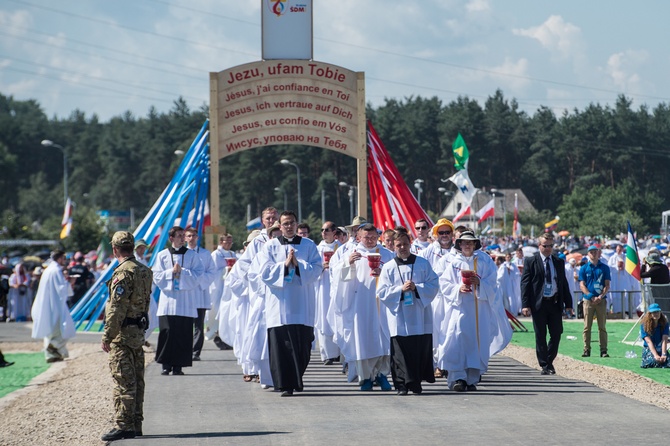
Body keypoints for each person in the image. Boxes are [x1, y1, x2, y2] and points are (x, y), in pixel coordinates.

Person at [257, 211, 322, 396]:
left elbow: (317, 269)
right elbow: (264, 272)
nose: (289, 226)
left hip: (302, 303)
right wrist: (284, 265)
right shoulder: (270, 246)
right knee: (281, 346)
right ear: (279, 225)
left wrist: (298, 264)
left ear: (296, 224)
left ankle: (297, 379)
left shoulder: (309, 245)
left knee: (302, 345)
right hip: (279, 305)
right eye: (285, 223)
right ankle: (285, 384)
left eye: (292, 223)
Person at [439, 231, 509, 391]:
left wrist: (480, 283)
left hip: (479, 309)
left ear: (475, 244)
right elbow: (444, 283)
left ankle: (471, 379)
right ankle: (457, 377)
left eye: (470, 242)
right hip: (460, 308)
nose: (467, 245)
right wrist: (457, 288)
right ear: (460, 245)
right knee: (456, 339)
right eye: (464, 242)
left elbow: (493, 283)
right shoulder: (454, 262)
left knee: (477, 341)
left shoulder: (484, 261)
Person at [100, 232, 153, 442]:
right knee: (137, 380)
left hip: (122, 334)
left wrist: (107, 336)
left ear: (115, 249)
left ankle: (124, 425)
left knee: (123, 380)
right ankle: (136, 422)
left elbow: (116, 309)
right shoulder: (144, 271)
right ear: (132, 247)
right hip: (138, 332)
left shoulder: (122, 273)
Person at [332, 223, 395, 391]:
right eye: (366, 237)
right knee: (362, 340)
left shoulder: (387, 255)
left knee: (384, 339)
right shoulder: (351, 254)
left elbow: (396, 277)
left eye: (373, 237)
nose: (370, 240)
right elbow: (338, 277)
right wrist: (348, 264)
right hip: (360, 304)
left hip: (383, 305)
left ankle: (382, 374)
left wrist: (383, 274)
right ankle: (365, 377)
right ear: (358, 237)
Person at [378, 231, 439, 395]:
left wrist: (417, 288)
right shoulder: (389, 267)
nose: (402, 248)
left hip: (419, 315)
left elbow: (434, 284)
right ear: (393, 246)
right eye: (398, 245)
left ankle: (416, 382)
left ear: (410, 243)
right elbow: (382, 292)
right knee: (399, 353)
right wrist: (400, 289)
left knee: (417, 349)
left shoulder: (423, 263)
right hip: (398, 316)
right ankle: (401, 385)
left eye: (405, 244)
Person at [152, 226, 204, 375]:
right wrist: (171, 272)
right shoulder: (162, 255)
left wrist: (183, 271)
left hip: (185, 300)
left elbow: (198, 274)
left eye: (183, 235)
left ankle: (178, 366)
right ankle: (165, 365)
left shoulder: (192, 256)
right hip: (168, 300)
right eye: (179, 235)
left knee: (182, 333)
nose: (182, 238)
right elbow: (156, 276)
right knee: (167, 332)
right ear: (171, 238)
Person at [521, 234, 574, 375]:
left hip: (554, 302)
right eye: (545, 245)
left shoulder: (558, 261)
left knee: (557, 333)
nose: (548, 248)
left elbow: (563, 284)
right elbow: (525, 284)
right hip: (539, 304)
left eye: (550, 245)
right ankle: (544, 364)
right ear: (539, 246)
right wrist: (525, 304)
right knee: (540, 335)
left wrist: (568, 303)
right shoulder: (531, 261)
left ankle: (549, 360)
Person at [417, 217, 454, 379]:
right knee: (435, 333)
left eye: (447, 232)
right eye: (441, 232)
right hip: (434, 298)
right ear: (436, 234)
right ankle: (437, 365)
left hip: (453, 298)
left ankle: (450, 363)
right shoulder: (427, 252)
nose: (444, 235)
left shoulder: (457, 252)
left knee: (451, 331)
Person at [31, 251, 76, 363]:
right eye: (64, 258)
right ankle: (53, 347)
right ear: (60, 258)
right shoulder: (56, 270)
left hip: (49, 304)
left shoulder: (48, 270)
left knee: (51, 331)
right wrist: (70, 282)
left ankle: (53, 355)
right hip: (55, 305)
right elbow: (61, 289)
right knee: (64, 329)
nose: (64, 261)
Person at [184, 227, 217, 361]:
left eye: (194, 236)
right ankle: (186, 350)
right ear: (185, 238)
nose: (191, 238)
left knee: (198, 325)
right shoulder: (183, 254)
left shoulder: (205, 254)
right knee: (186, 325)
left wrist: (199, 280)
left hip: (201, 293)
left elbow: (212, 272)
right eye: (189, 236)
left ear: (197, 238)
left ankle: (196, 352)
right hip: (187, 294)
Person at [315, 221, 341, 365]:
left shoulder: (341, 248)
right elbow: (311, 268)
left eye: (327, 230)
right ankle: (327, 354)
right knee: (324, 317)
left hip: (336, 287)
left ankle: (339, 352)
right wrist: (320, 267)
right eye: (322, 230)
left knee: (337, 315)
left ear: (334, 232)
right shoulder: (317, 249)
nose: (324, 232)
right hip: (323, 286)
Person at [579, 245, 611, 357]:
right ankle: (586, 349)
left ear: (598, 253)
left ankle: (603, 350)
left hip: (601, 300)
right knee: (587, 326)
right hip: (588, 300)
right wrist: (590, 295)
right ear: (588, 254)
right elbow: (582, 284)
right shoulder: (584, 268)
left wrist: (601, 296)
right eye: (591, 252)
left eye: (595, 252)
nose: (593, 254)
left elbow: (607, 285)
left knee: (602, 326)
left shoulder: (604, 268)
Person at [208, 234, 236, 350]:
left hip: (229, 287)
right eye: (226, 241)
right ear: (221, 242)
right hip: (219, 287)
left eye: (230, 241)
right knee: (218, 312)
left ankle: (226, 337)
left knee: (227, 312)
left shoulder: (232, 254)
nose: (229, 244)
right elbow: (212, 271)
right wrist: (226, 270)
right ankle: (218, 336)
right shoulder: (216, 254)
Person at [639, 303, 669, 368]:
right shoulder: (644, 325)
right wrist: (655, 355)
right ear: (650, 314)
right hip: (649, 349)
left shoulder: (665, 324)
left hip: (660, 348)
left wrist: (664, 354)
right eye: (654, 312)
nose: (656, 314)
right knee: (653, 361)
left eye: (657, 312)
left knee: (667, 361)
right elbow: (649, 342)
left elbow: (664, 340)